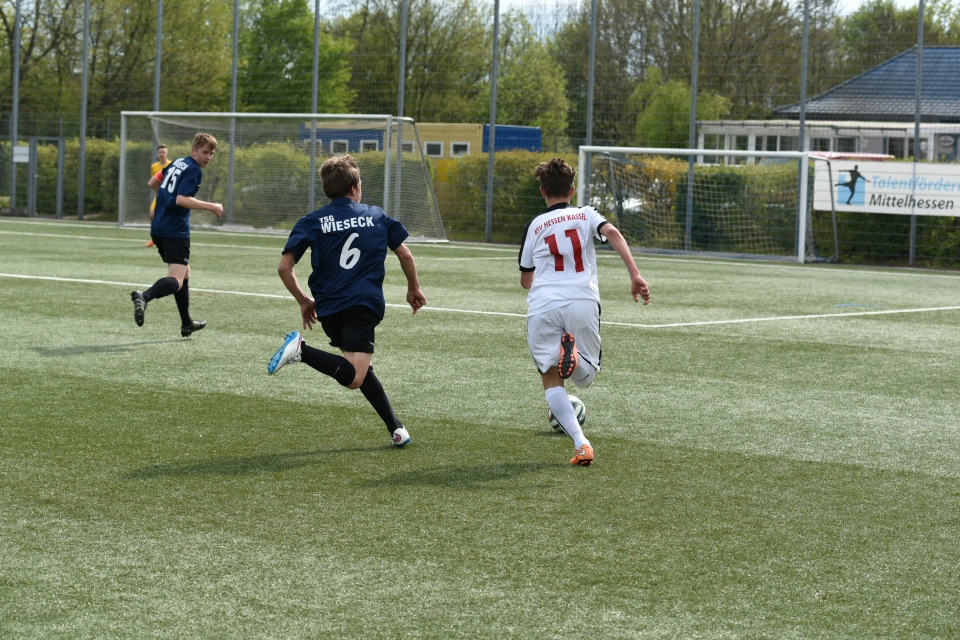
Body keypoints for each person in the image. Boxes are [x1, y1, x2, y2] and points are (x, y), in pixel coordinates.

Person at [266, 154, 427, 447]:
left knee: (362, 368)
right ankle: (302, 350)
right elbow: (405, 254)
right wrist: (413, 288)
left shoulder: (312, 221)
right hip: (361, 305)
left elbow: (284, 268)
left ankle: (397, 428)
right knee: (354, 377)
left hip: (328, 309)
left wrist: (304, 301)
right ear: (354, 187)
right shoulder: (376, 215)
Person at [518, 158, 651, 466]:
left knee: (551, 377)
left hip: (543, 304)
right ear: (572, 190)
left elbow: (526, 280)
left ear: (542, 191)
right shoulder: (586, 214)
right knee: (585, 379)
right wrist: (635, 274)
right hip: (582, 299)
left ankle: (582, 445)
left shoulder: (534, 225)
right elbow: (612, 232)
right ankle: (575, 360)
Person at [131, 133, 224, 337]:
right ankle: (144, 296)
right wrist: (211, 206)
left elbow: (153, 182)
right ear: (194, 151)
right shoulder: (194, 170)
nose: (208, 157)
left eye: (212, 153)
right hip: (175, 231)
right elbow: (182, 199)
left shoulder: (178, 162)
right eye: (205, 152)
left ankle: (187, 323)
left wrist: (165, 199)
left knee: (185, 272)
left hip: (158, 226)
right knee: (176, 280)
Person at [146, 145, 173, 247]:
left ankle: (169, 238)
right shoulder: (154, 166)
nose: (161, 154)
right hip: (160, 194)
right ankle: (154, 239)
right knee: (152, 215)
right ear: (157, 153)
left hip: (170, 195)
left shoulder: (171, 165)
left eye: (163, 152)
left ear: (167, 153)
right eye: (160, 152)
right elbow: (154, 181)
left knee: (170, 217)